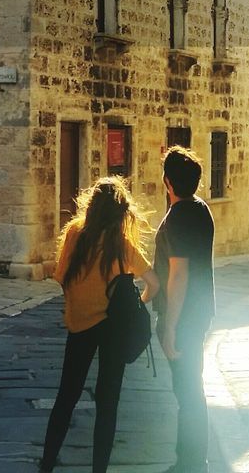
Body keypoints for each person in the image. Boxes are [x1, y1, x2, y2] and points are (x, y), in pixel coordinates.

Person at [40, 176, 159, 473]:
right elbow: (154, 283)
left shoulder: (74, 235)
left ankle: (46, 464)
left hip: (80, 325)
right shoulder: (122, 244)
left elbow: (62, 278)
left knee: (66, 397)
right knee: (108, 403)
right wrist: (137, 303)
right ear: (121, 212)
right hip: (114, 328)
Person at [153, 146, 216, 473]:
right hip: (201, 310)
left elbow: (179, 272)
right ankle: (190, 459)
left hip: (185, 315)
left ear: (167, 182)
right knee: (191, 387)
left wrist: (170, 325)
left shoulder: (178, 216)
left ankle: (191, 463)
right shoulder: (202, 209)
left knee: (188, 389)